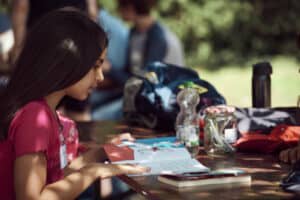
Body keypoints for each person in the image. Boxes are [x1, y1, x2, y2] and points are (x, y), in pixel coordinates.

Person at [0, 9, 149, 200]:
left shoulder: (44, 112)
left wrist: (100, 154)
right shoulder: (35, 118)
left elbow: (56, 181)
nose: (100, 77)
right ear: (67, 62)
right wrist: (92, 172)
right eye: (95, 66)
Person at [117, 0, 185, 79]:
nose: (117, 10)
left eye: (120, 6)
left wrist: (110, 70)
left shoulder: (159, 37)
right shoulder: (134, 32)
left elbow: (147, 77)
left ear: (130, 8)